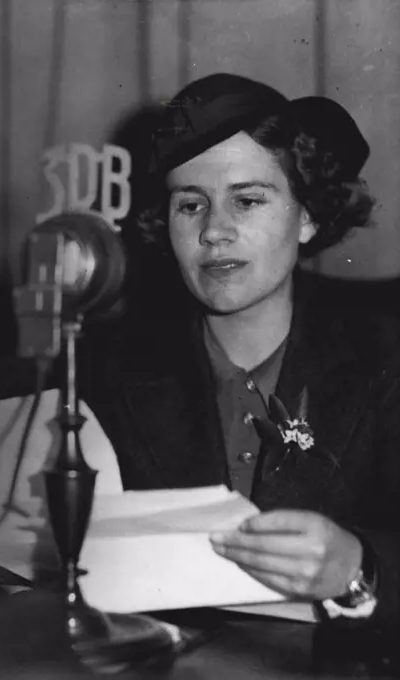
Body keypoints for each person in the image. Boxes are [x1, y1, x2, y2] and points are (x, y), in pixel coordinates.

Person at [78, 73, 400, 628]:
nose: (214, 232)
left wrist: (361, 567)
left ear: (306, 216)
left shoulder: (386, 357)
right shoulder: (103, 369)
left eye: (247, 200)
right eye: (190, 205)